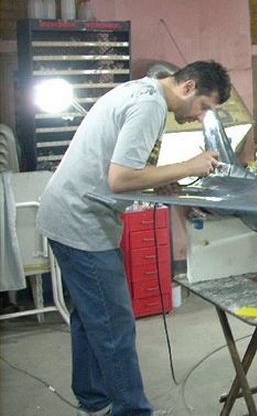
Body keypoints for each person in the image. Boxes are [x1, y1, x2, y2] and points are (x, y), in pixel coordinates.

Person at [37, 60, 231, 416]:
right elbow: (120, 179)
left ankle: (93, 399)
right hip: (81, 221)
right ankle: (131, 410)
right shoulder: (150, 105)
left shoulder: (139, 90)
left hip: (65, 213)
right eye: (203, 106)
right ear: (188, 86)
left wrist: (159, 180)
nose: (200, 116)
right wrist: (189, 166)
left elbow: (124, 169)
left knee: (89, 316)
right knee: (114, 324)